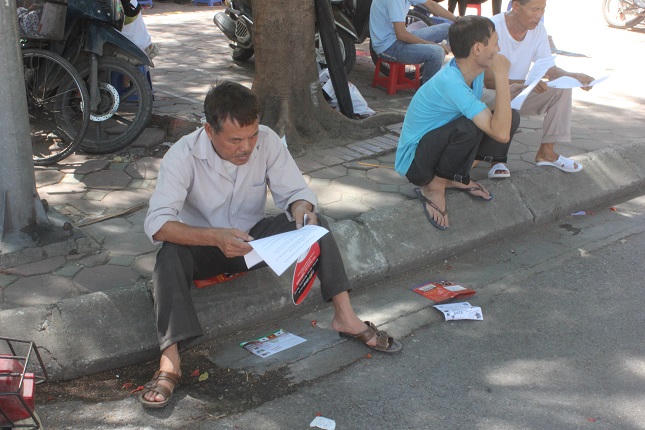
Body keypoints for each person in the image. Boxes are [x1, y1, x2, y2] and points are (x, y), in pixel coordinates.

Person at [140, 81, 402, 409]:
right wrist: (215, 237)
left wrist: (302, 211)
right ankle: (170, 361)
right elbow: (158, 224)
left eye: (251, 136)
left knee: (318, 226)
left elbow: (296, 193)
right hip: (205, 246)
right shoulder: (183, 155)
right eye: (235, 140)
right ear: (209, 130)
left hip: (253, 242)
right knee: (168, 257)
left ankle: (345, 317)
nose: (247, 147)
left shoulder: (266, 141)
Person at [395, 16, 520, 230]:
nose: (499, 49)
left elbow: (498, 123)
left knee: (511, 116)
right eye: (495, 43)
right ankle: (434, 186)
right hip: (416, 164)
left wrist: (510, 90)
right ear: (478, 49)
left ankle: (453, 177)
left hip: (434, 149)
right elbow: (501, 134)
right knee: (469, 127)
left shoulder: (473, 72)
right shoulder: (451, 81)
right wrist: (502, 75)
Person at [485, 0, 595, 173]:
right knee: (509, 99)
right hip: (489, 93)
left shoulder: (538, 30)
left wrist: (573, 76)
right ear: (516, 6)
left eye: (543, 9)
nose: (539, 15)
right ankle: (497, 161)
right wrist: (523, 84)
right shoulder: (492, 27)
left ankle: (546, 153)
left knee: (562, 89)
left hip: (518, 92)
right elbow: (486, 81)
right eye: (535, 9)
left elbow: (547, 67)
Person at [369, 0, 457, 83]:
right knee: (437, 52)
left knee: (448, 29)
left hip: (398, 39)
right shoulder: (395, 1)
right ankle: (426, 88)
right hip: (388, 47)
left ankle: (450, 71)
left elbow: (431, 4)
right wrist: (434, 45)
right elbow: (401, 35)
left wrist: (457, 19)